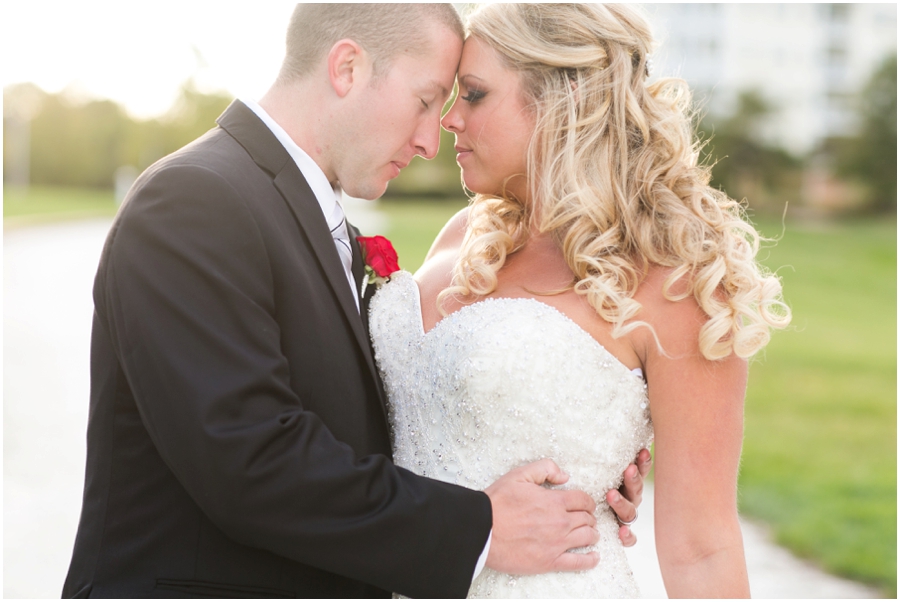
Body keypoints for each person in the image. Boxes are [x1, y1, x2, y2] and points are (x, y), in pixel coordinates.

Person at [62, 4, 649, 599]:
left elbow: (350, 415)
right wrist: (484, 528)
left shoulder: (299, 208)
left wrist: (581, 463)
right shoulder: (195, 200)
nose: (430, 140)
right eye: (426, 100)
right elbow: (251, 462)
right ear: (347, 68)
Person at [368, 3, 791, 598]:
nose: (449, 119)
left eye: (475, 94)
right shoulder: (464, 237)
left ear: (565, 102)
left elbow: (703, 548)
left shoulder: (675, 285)